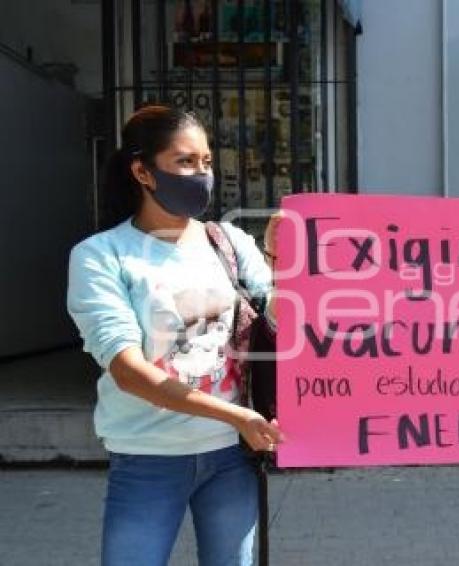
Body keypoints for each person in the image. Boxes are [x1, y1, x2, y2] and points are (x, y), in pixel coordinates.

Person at [66, 105, 282, 566]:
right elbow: (129, 373)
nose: (200, 174)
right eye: (185, 162)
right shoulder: (102, 257)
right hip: (147, 458)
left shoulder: (229, 243)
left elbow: (280, 325)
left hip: (231, 458)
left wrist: (286, 265)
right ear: (142, 171)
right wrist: (234, 414)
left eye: (206, 162)